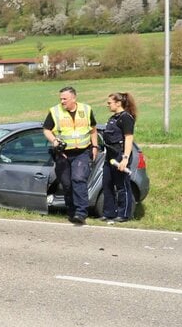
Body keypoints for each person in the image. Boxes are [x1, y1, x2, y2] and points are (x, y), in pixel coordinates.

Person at [42, 86, 99, 224]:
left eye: (65, 99)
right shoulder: (55, 111)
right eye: (61, 99)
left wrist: (95, 146)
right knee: (67, 184)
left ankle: (81, 212)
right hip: (63, 153)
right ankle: (72, 211)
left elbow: (93, 129)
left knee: (78, 179)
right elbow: (46, 130)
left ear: (74, 98)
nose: (62, 101)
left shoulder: (86, 109)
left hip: (82, 152)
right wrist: (54, 141)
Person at [102, 92, 137, 223]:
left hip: (120, 155)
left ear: (118, 103)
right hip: (110, 155)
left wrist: (125, 158)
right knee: (107, 183)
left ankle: (124, 214)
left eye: (109, 103)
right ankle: (109, 213)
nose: (108, 105)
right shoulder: (113, 118)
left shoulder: (126, 118)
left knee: (122, 185)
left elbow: (129, 138)